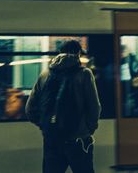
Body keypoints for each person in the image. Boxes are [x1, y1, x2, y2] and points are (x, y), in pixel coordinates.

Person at [26, 40, 101, 173]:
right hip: (79, 139)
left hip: (52, 139)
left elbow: (30, 109)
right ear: (77, 54)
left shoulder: (45, 74)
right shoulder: (85, 74)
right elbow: (94, 107)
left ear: (60, 53)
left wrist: (45, 125)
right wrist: (88, 129)